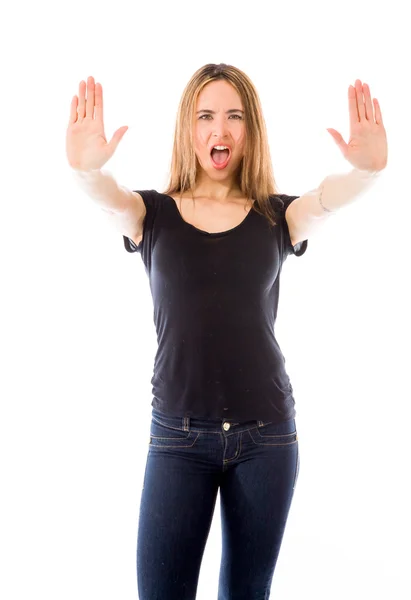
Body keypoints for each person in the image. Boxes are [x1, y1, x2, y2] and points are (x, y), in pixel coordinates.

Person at [67, 63, 387, 599]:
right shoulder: (153, 214)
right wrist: (84, 172)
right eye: (207, 115)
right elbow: (109, 198)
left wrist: (368, 173)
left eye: (235, 116)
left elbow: (325, 201)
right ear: (188, 129)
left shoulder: (276, 215)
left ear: (251, 129)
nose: (221, 130)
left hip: (267, 438)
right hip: (177, 438)